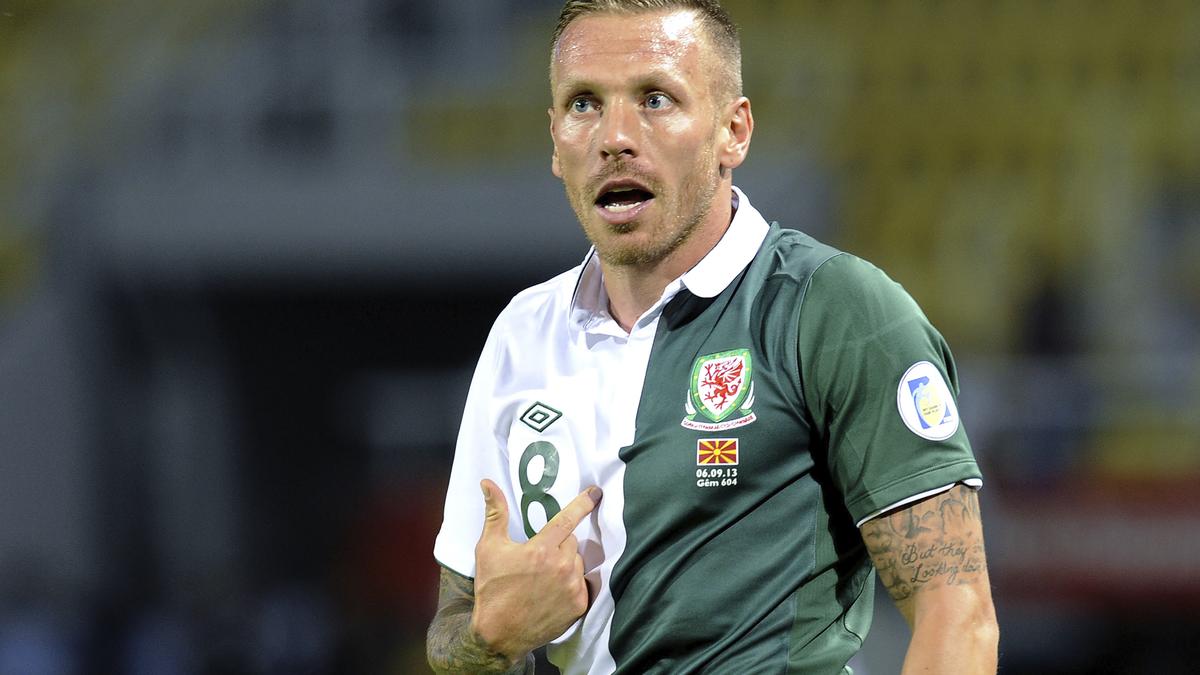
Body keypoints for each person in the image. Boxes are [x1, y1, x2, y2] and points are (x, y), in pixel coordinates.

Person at [426, 1, 999, 672]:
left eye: (655, 99)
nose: (615, 136)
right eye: (584, 104)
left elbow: (958, 618)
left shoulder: (834, 309)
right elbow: (451, 632)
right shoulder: (522, 333)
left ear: (734, 131)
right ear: (555, 140)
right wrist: (490, 636)